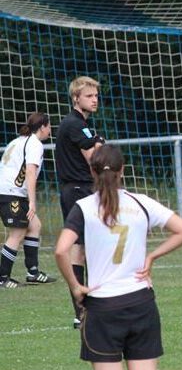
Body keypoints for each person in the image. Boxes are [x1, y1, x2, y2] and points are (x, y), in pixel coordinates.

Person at [54, 144, 182, 370]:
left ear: (92, 171)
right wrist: (151, 257)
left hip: (102, 307)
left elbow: (61, 250)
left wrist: (75, 286)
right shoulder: (141, 202)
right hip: (140, 302)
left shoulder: (83, 207)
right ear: (123, 171)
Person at [55, 76, 105, 327]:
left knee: (85, 248)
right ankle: (83, 310)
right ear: (76, 98)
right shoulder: (76, 125)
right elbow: (95, 160)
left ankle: (84, 310)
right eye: (88, 95)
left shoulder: (81, 125)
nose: (94, 99)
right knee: (82, 248)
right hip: (78, 190)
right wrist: (99, 144)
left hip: (79, 190)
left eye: (96, 95)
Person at [0, 113, 55, 288]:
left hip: (11, 191)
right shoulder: (35, 144)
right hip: (11, 193)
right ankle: (2, 278)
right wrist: (32, 201)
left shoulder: (18, 141)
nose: (50, 130)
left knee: (34, 225)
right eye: (49, 126)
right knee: (17, 233)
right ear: (42, 127)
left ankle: (33, 272)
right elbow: (30, 172)